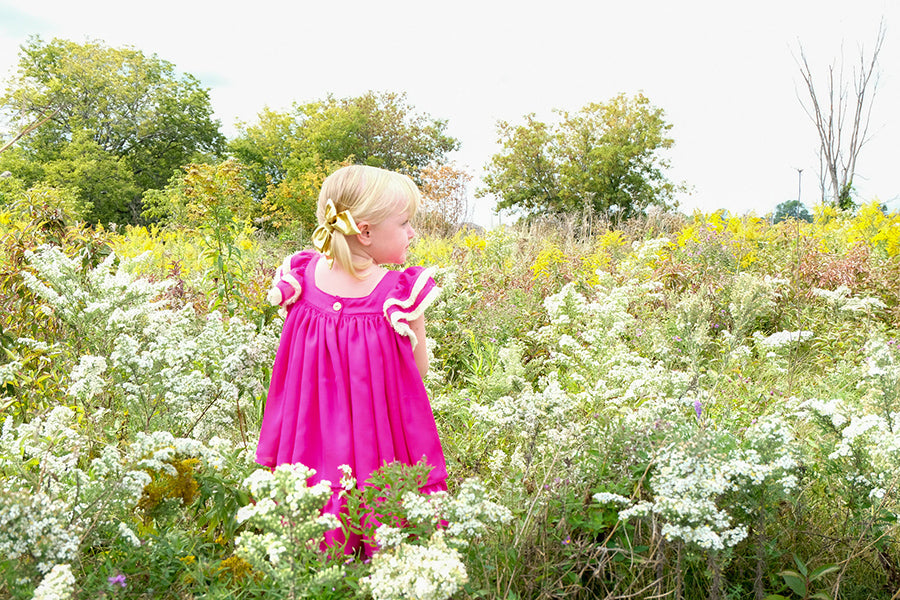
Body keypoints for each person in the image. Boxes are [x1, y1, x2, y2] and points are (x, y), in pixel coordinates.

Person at [255, 164, 447, 555]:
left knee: (313, 526)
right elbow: (419, 371)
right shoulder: (398, 295)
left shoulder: (302, 281)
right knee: (384, 509)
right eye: (406, 222)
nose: (413, 233)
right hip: (379, 438)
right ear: (365, 231)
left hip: (310, 438)